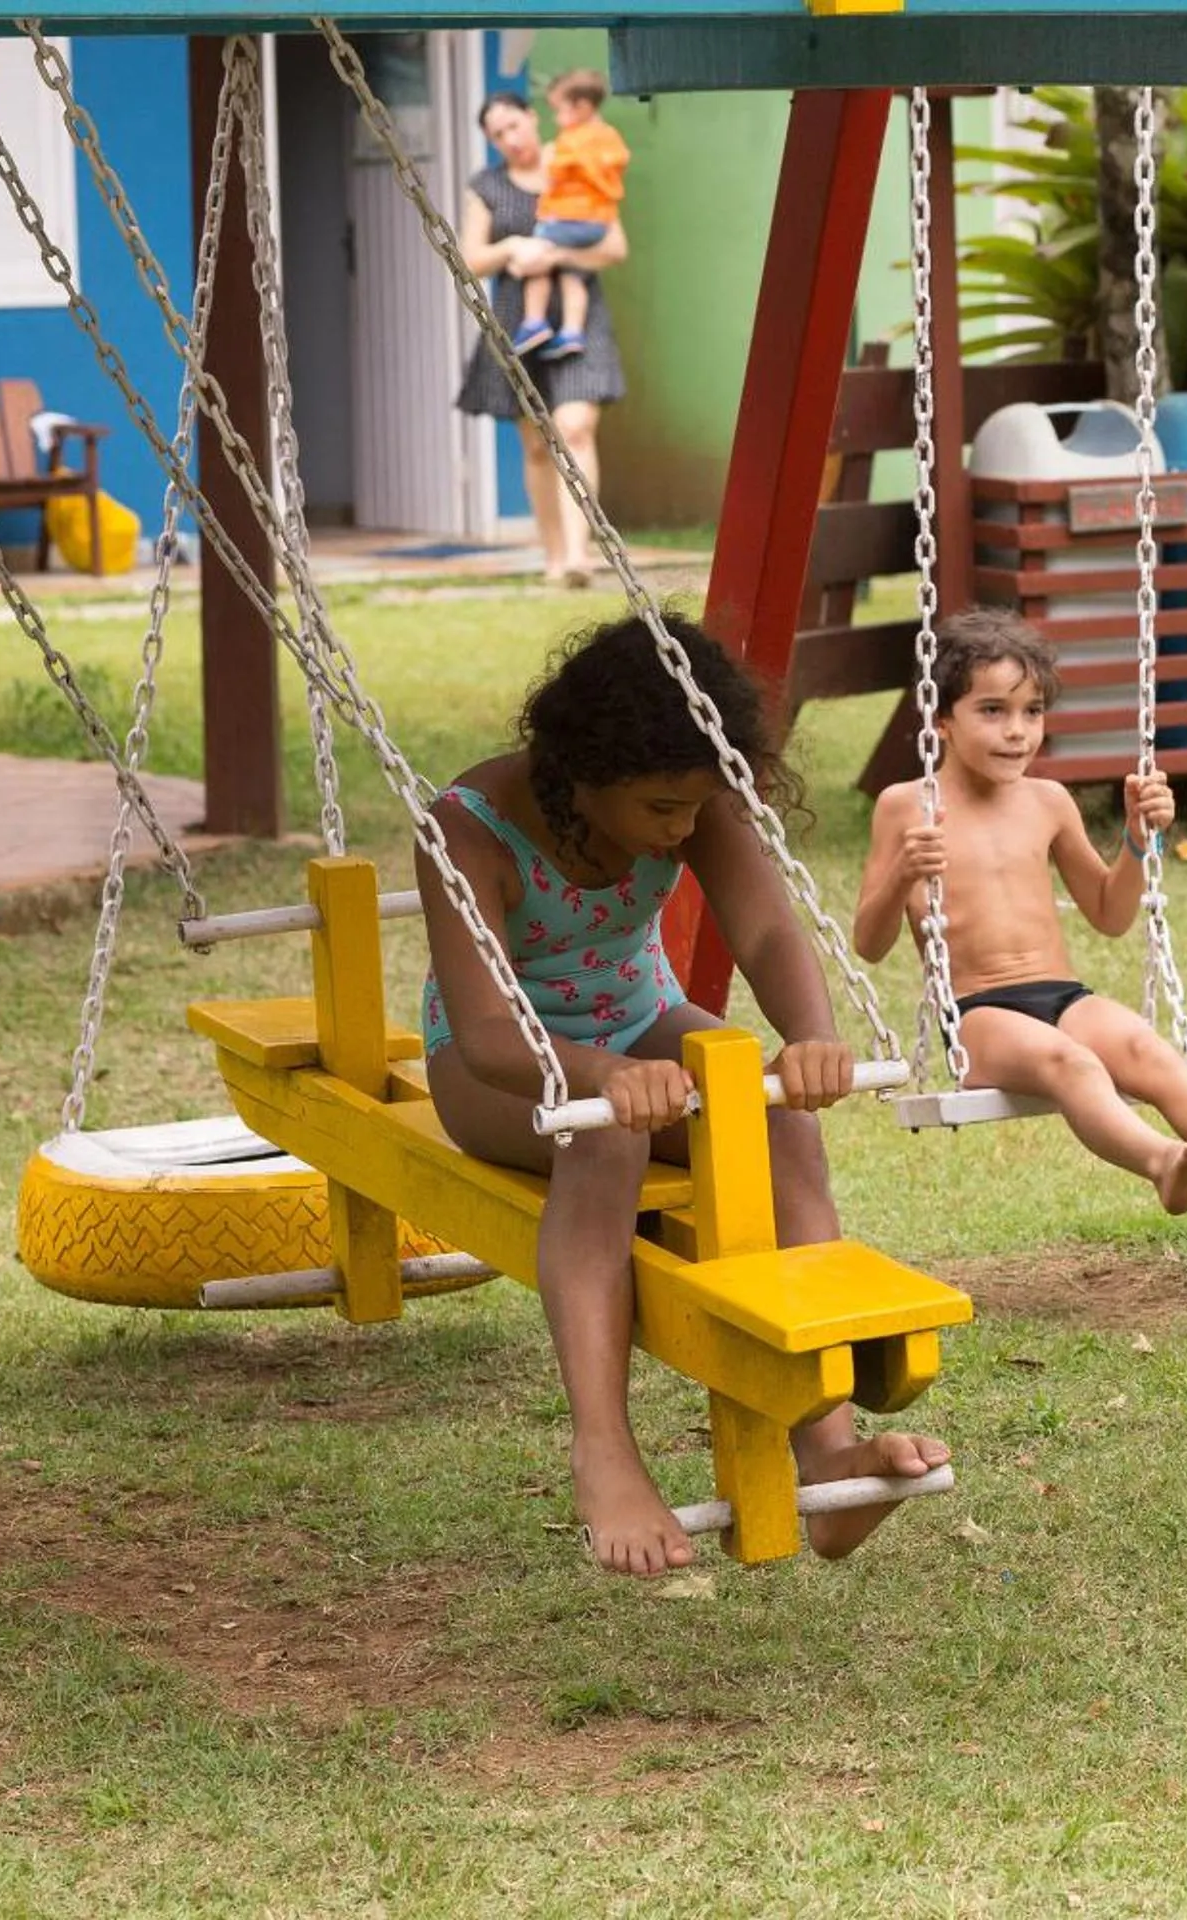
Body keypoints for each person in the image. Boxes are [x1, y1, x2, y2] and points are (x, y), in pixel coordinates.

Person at [418, 613, 948, 1577]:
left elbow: (769, 935)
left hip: (638, 1021)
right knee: (610, 1139)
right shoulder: (467, 827)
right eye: (662, 809)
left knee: (760, 1097)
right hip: (500, 1068)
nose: (682, 828)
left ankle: (825, 1442)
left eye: (697, 806)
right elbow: (494, 1033)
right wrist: (605, 1078)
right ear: (580, 772)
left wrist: (814, 1038)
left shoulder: (694, 798)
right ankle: (604, 1451)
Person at [852, 610, 1187, 1223]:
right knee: (1071, 1062)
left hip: (1064, 995)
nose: (1017, 731)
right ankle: (1163, 1163)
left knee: (1146, 1049)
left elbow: (1109, 912)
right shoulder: (906, 807)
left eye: (1032, 712)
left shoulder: (1048, 802)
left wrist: (1136, 838)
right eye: (992, 711)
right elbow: (869, 942)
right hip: (980, 1015)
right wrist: (904, 874)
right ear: (942, 720)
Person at [456, 90, 626, 590]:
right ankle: (553, 555)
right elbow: (471, 259)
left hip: (578, 314)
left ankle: (579, 554)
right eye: (498, 134)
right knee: (536, 445)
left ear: (533, 118)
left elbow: (614, 246)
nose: (511, 139)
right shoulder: (485, 186)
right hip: (518, 318)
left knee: (575, 427)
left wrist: (553, 257)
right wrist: (513, 246)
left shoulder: (574, 162)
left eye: (515, 124)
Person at [511, 71, 630, 363]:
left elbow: (557, 170)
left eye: (559, 111)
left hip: (570, 218)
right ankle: (572, 332)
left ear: (582, 108)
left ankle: (534, 321)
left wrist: (553, 161)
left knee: (537, 255)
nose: (556, 119)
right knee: (573, 274)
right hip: (597, 223)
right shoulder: (609, 138)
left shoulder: (573, 141)